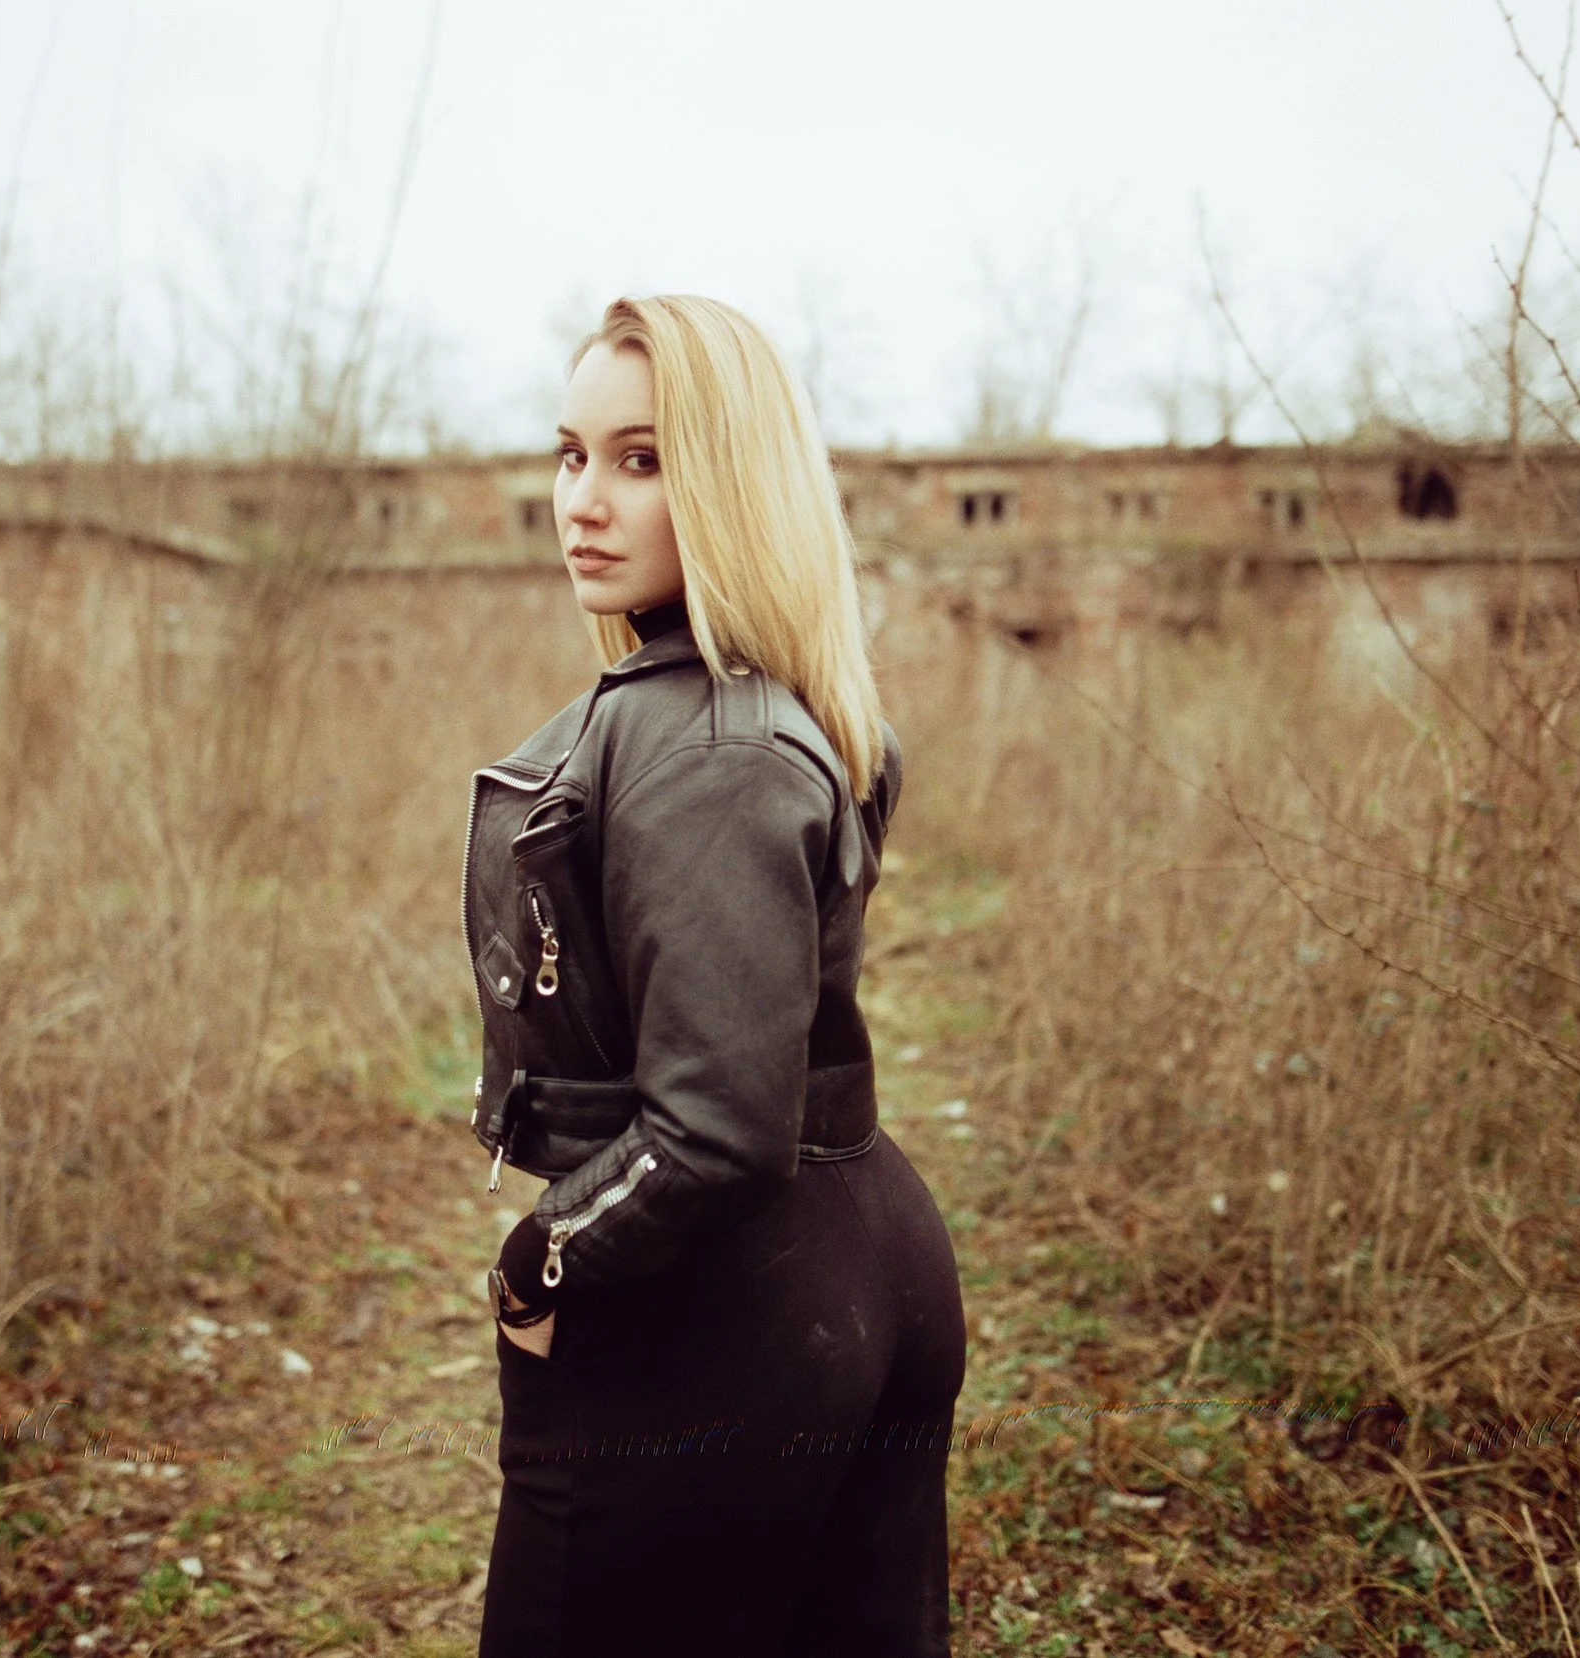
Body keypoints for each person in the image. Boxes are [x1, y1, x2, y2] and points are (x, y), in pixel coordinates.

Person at [462, 294, 966, 1658]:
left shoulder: (711, 747)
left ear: (732, 483)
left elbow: (714, 1128)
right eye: (570, 453)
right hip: (842, 1252)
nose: (584, 499)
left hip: (725, 1302)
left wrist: (542, 1254)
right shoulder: (765, 706)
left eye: (641, 459)